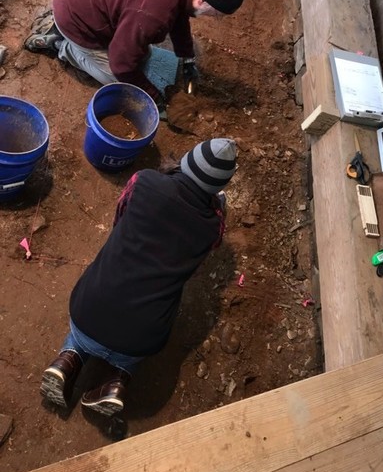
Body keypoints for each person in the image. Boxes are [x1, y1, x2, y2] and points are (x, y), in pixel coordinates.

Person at [40, 138, 237, 416]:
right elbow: (207, 252)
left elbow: (120, 219)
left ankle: (67, 360)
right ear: (218, 188)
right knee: (132, 349)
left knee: (82, 333)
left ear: (187, 161)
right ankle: (116, 383)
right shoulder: (212, 227)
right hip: (141, 339)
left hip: (88, 310)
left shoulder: (144, 181)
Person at [24, 0, 258, 105]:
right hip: (76, 18)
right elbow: (122, 65)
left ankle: (67, 34)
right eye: (216, 14)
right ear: (202, 0)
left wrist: (187, 59)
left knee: (142, 55)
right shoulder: (152, 15)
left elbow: (179, 14)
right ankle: (63, 47)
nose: (215, 19)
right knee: (121, 81)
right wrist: (153, 95)